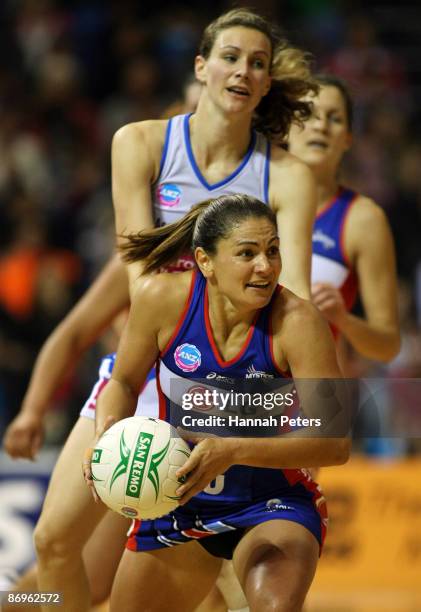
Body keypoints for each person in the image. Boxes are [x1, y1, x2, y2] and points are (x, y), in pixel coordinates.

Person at [2, 9, 320, 612]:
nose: (243, 71)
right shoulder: (141, 142)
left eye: (258, 63)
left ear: (267, 83)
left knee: (202, 572)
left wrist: (272, 397)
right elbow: (137, 271)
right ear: (200, 66)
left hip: (228, 384)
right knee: (53, 542)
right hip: (147, 368)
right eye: (230, 57)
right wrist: (37, 407)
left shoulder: (285, 173)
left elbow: (291, 296)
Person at [84, 194, 350, 612]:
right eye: (247, 253)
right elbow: (122, 380)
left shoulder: (299, 321)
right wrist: (107, 438)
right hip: (175, 496)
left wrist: (233, 450)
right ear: (205, 261)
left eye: (273, 250)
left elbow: (336, 444)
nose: (265, 266)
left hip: (271, 500)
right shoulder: (160, 297)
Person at [208, 74, 402, 612]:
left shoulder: (362, 219)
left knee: (269, 573)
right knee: (208, 577)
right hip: (223, 391)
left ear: (348, 139)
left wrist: (347, 319)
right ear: (284, 129)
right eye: (309, 113)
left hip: (305, 406)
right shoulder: (243, 206)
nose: (321, 124)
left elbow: (387, 345)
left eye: (336, 118)